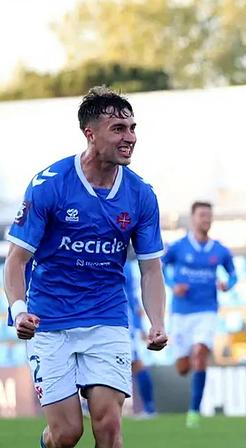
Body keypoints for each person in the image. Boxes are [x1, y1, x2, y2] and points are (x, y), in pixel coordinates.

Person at [4, 86, 168, 448]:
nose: (130, 138)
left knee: (109, 427)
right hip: (50, 321)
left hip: (107, 318)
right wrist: (18, 310)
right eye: (119, 129)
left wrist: (157, 322)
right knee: (66, 435)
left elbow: (151, 269)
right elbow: (16, 261)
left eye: (132, 127)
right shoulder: (50, 185)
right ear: (90, 134)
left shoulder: (141, 194)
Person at [161, 201, 237, 428]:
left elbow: (233, 275)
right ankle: (191, 369)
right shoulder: (178, 247)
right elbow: (161, 267)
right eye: (202, 215)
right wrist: (173, 285)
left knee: (200, 352)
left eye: (209, 216)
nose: (206, 219)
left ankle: (194, 412)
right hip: (181, 313)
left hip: (207, 311)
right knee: (183, 367)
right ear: (193, 218)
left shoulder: (220, 250)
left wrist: (228, 284)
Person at [124, 259, 157, 417]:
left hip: (125, 323)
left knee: (136, 363)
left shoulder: (124, 267)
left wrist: (139, 326)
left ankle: (150, 408)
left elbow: (132, 298)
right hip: (115, 321)